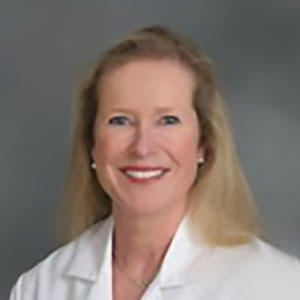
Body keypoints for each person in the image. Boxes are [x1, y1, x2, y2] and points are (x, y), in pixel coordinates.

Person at [10, 25, 300, 300]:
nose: (142, 147)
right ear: (92, 145)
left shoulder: (276, 285)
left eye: (168, 120)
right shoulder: (40, 287)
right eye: (120, 120)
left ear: (204, 145)